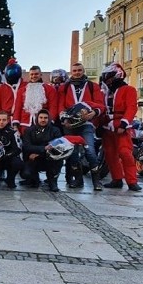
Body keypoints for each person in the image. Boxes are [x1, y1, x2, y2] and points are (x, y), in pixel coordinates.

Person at [56, 61, 105, 190]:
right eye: (74, 71)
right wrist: (63, 118)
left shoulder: (92, 86)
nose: (77, 73)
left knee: (90, 151)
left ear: (83, 72)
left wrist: (93, 113)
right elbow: (60, 106)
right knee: (72, 153)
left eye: (79, 70)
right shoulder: (64, 87)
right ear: (71, 72)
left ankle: (96, 181)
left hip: (86, 124)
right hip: (69, 125)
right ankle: (78, 180)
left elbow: (100, 105)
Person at [100, 63, 142, 192]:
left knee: (125, 153)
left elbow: (131, 107)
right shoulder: (105, 92)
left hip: (121, 125)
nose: (108, 80)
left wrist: (124, 123)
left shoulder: (128, 89)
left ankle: (132, 181)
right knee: (110, 154)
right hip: (107, 126)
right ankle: (117, 179)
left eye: (109, 77)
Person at [20, 109, 63, 191]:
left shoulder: (55, 130)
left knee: (58, 159)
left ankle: (53, 182)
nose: (43, 120)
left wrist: (40, 153)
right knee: (26, 173)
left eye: (45, 118)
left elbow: (57, 146)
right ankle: (33, 180)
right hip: (33, 159)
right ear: (37, 118)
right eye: (41, 117)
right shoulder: (29, 131)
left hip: (49, 158)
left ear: (49, 119)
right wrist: (43, 148)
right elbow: (27, 146)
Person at [13, 65, 57, 133]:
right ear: (29, 75)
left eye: (36, 74)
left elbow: (53, 107)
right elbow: (18, 108)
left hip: (43, 124)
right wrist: (15, 124)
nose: (34, 76)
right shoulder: (21, 90)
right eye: (32, 74)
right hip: (25, 124)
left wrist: (50, 121)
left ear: (41, 74)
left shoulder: (50, 89)